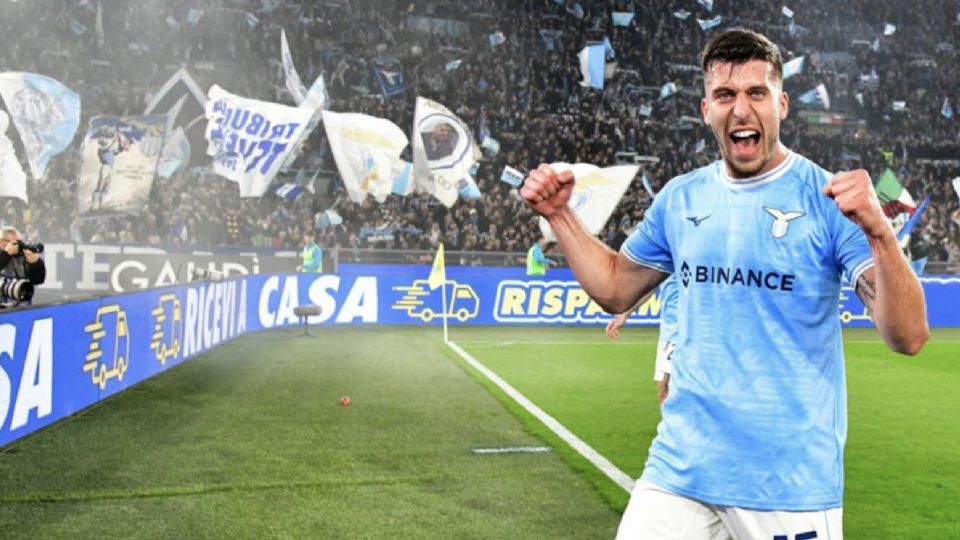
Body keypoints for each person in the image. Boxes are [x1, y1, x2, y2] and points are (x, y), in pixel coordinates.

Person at [521, 28, 928, 539]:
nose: (741, 110)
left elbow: (908, 336)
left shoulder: (829, 200)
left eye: (756, 93)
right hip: (681, 470)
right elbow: (614, 288)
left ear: (781, 103)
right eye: (725, 96)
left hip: (788, 483)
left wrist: (879, 233)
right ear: (705, 109)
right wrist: (561, 218)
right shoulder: (679, 198)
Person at [606, 275, 678, 407]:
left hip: (683, 334)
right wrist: (625, 314)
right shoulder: (668, 262)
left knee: (675, 389)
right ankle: (671, 427)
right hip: (667, 334)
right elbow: (649, 289)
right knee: (663, 390)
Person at [0, 226, 45, 305]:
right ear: (1, 242)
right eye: (10, 242)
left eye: (17, 242)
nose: (15, 245)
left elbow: (38, 280)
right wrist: (6, 254)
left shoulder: (24, 257)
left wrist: (35, 262)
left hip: (22, 308)